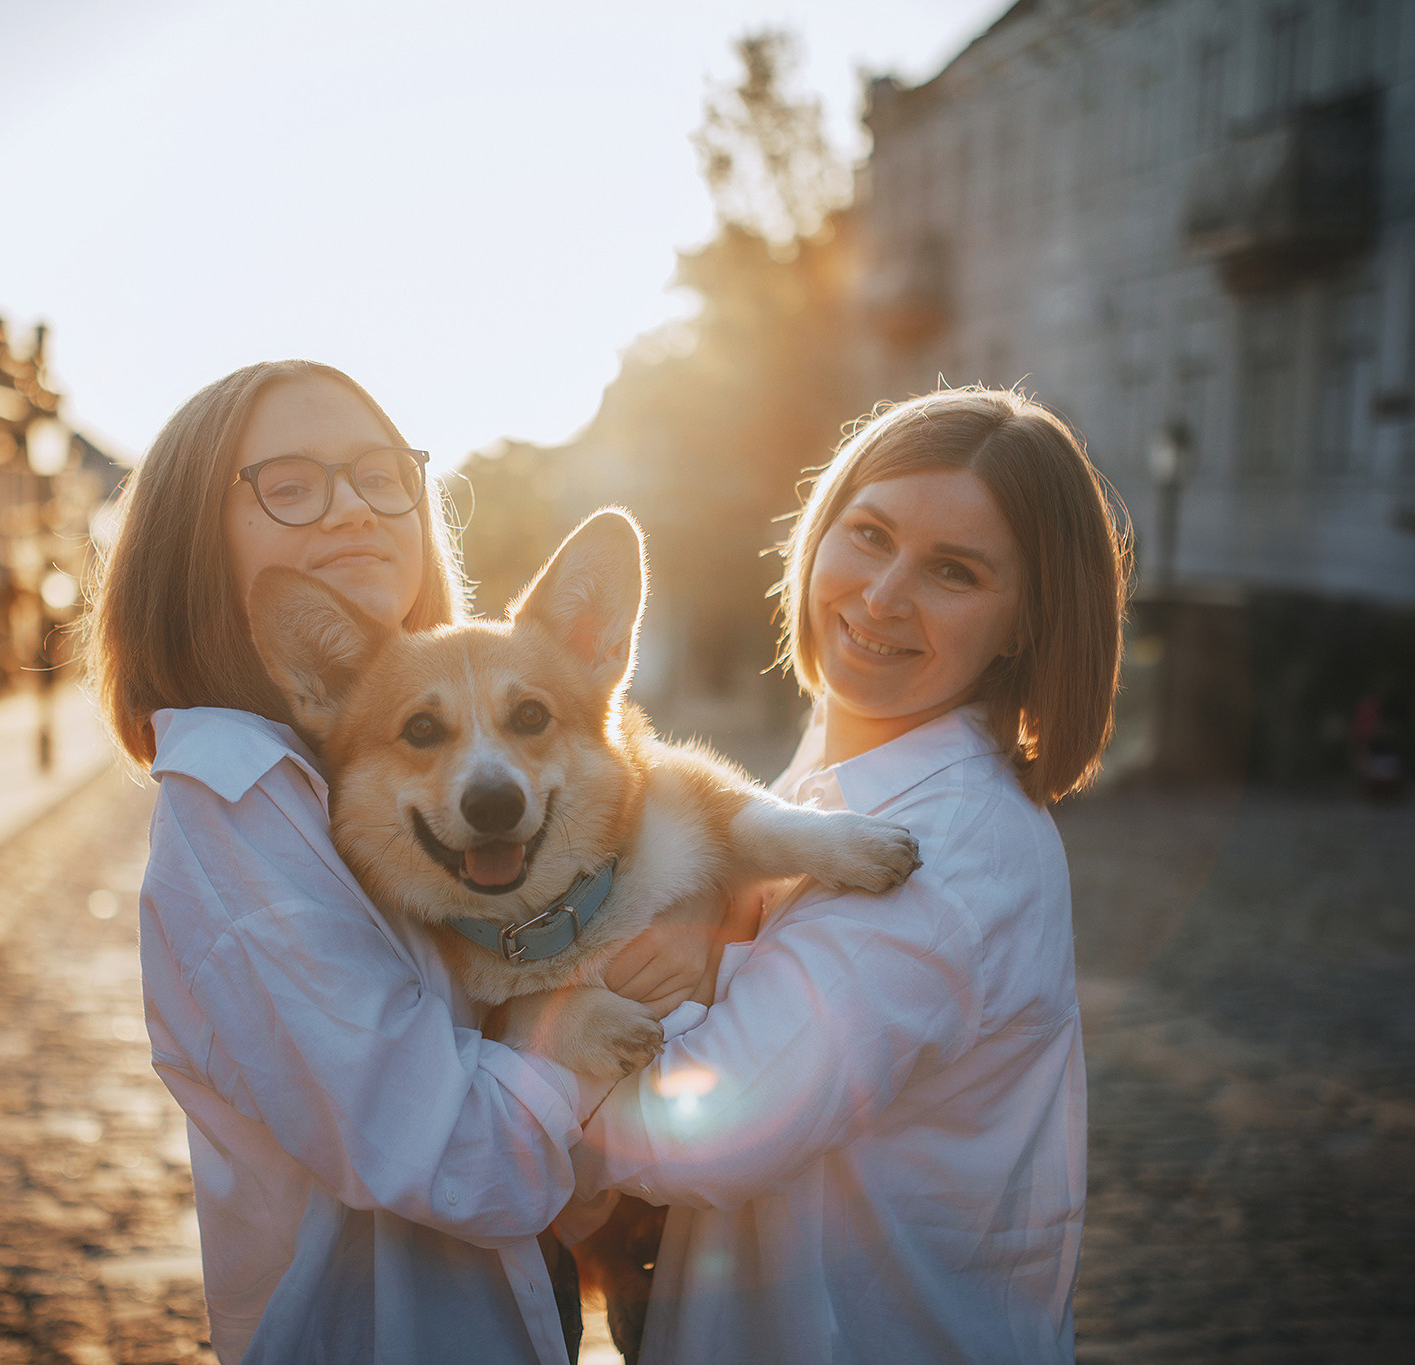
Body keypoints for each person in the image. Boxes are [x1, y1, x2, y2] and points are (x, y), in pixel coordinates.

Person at [86, 360, 708, 1365]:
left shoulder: (355, 766)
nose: (355, 512)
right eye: (289, 487)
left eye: (382, 476)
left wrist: (669, 911)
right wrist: (570, 1044)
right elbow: (461, 1162)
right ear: (191, 545)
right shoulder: (240, 815)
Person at [568, 388, 1129, 1364]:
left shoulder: (936, 846)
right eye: (867, 534)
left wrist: (495, 1064)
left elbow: (717, 1125)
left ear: (1022, 624)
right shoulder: (826, 777)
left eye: (951, 572)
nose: (880, 597)